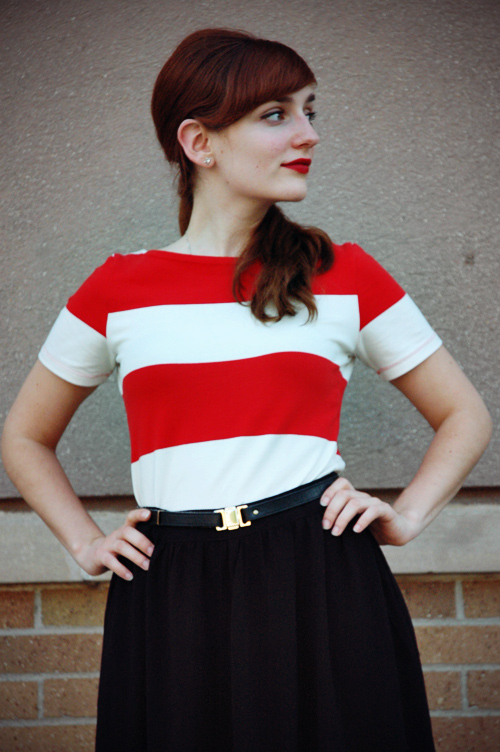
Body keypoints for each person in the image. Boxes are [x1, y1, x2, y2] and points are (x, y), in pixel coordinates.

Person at [1, 28, 492, 752]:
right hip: (171, 588)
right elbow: (24, 436)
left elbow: (464, 414)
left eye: (309, 111)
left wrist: (407, 515)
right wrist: (84, 541)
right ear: (199, 142)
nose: (308, 134)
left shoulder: (344, 274)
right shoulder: (117, 288)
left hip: (319, 577)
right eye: (275, 115)